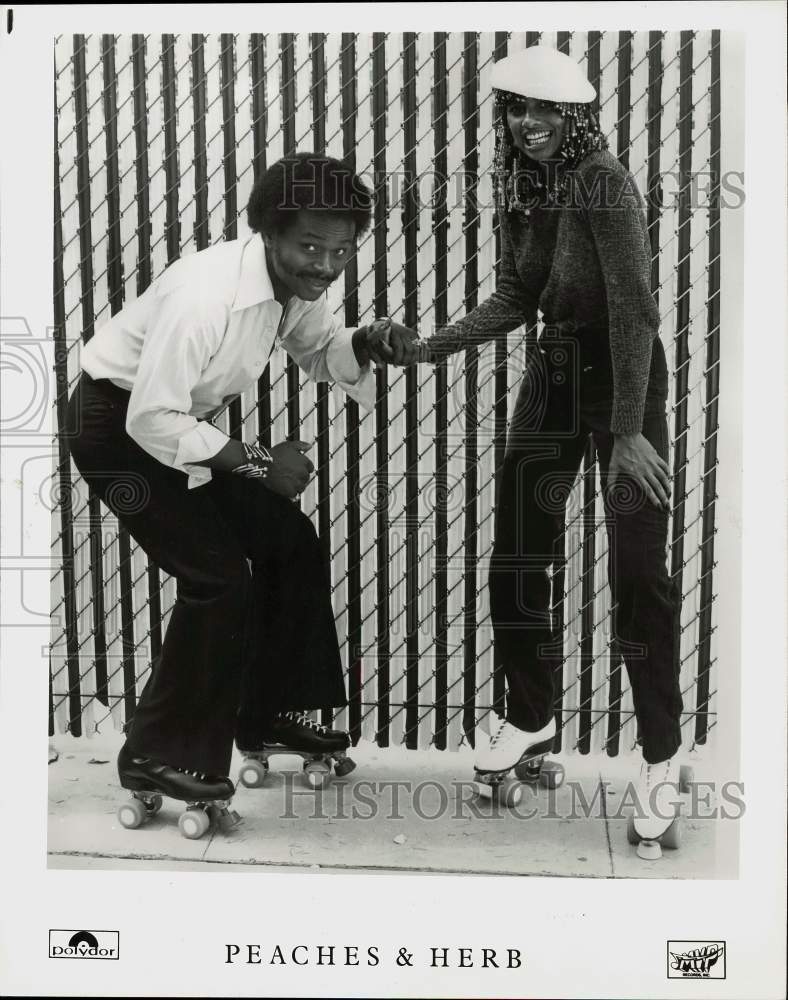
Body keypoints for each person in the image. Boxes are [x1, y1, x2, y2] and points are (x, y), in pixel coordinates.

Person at [389, 46, 684, 842]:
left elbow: (635, 309)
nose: (528, 124)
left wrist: (628, 432)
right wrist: (433, 345)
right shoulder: (522, 185)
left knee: (636, 571)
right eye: (516, 110)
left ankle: (660, 756)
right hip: (556, 367)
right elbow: (519, 295)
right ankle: (530, 716)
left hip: (623, 375)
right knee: (518, 551)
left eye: (543, 111)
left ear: (576, 115)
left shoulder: (604, 182)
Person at [66, 153, 404, 821]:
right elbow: (150, 418)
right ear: (268, 231)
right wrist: (256, 462)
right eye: (310, 246)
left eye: (342, 250)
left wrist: (365, 342)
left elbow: (318, 348)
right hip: (113, 430)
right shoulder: (207, 297)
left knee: (286, 540)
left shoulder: (293, 285)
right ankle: (157, 753)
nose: (326, 265)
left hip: (171, 427)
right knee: (218, 578)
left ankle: (267, 713)